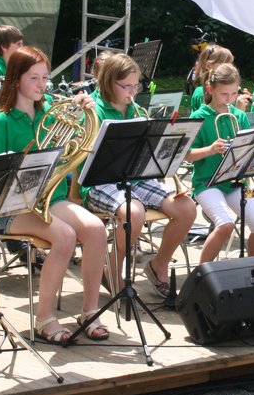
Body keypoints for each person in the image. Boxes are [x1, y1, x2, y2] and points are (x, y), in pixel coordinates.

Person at [0, 46, 111, 342]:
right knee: (64, 236)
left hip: (51, 199)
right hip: (12, 208)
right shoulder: (1, 122)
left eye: (45, 77)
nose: (42, 85)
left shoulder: (51, 114)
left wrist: (85, 110)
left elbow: (76, 145)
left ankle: (89, 311)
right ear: (15, 80)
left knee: (96, 229)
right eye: (34, 78)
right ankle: (45, 319)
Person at [80, 53, 197, 298]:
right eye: (126, 86)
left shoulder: (136, 109)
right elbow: (85, 156)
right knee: (134, 213)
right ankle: (113, 266)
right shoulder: (93, 108)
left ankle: (158, 265)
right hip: (101, 181)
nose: (133, 92)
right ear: (109, 82)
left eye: (136, 85)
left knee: (186, 208)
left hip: (134, 178)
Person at [186, 63, 254, 262]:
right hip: (206, 183)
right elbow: (187, 155)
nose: (230, 100)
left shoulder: (239, 116)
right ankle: (203, 273)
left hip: (235, 182)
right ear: (210, 89)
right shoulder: (199, 117)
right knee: (225, 224)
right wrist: (210, 149)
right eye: (224, 94)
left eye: (233, 94)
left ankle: (252, 265)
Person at [187, 45, 251, 112]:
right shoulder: (201, 93)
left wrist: (235, 96)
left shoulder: (230, 92)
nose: (228, 68)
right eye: (224, 64)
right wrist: (238, 109)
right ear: (208, 66)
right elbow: (217, 120)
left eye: (230, 64)